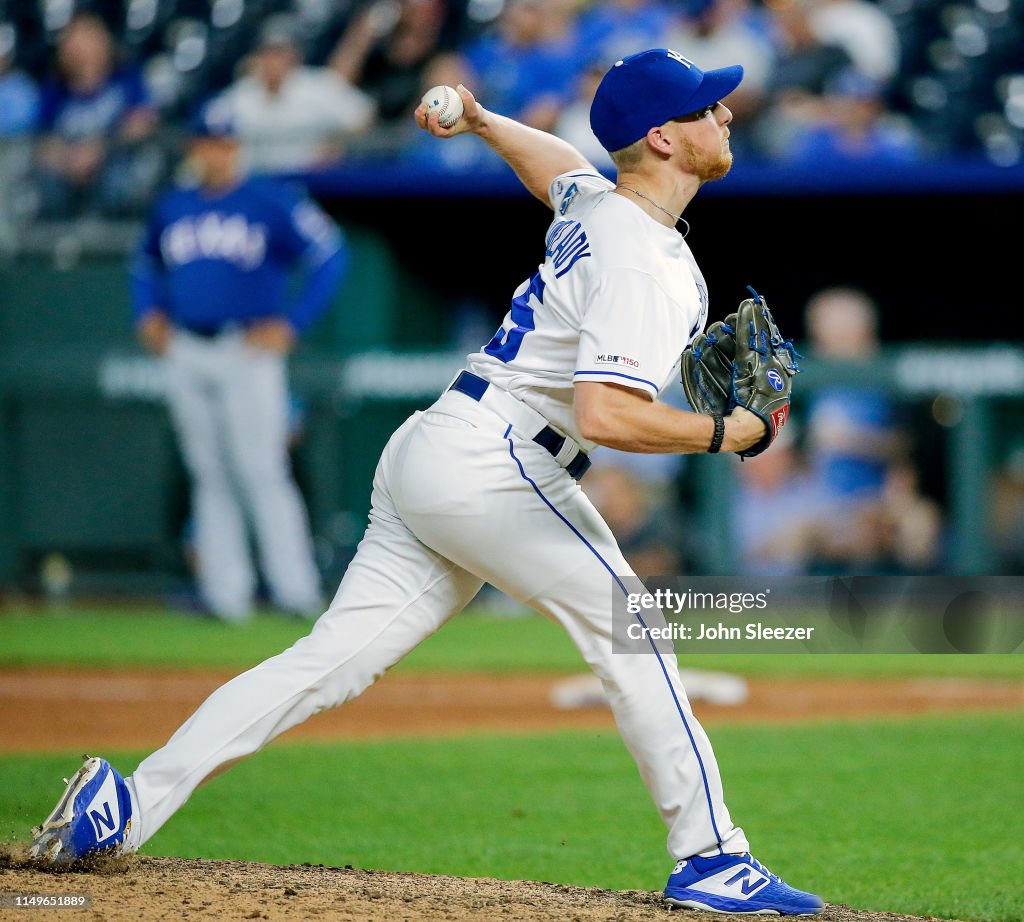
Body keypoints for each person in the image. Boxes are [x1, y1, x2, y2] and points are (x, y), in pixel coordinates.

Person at [30, 50, 823, 915]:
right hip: (501, 464)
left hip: (440, 449)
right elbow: (604, 414)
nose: (728, 116)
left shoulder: (599, 204)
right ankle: (711, 856)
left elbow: (554, 165)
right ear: (664, 137)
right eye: (709, 108)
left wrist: (484, 122)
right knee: (634, 632)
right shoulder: (644, 258)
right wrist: (728, 432)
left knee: (327, 661)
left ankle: (127, 805)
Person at [127, 101, 348, 622]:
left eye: (225, 143)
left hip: (246, 348)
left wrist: (294, 323)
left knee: (261, 469)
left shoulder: (269, 199)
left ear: (238, 147)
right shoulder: (174, 204)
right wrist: (147, 313)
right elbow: (143, 264)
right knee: (209, 473)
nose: (217, 152)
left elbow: (330, 254)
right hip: (187, 346)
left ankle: (295, 591)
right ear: (195, 148)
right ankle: (226, 596)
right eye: (208, 142)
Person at [33, 12, 158, 217]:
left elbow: (141, 125)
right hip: (68, 172)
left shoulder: (127, 79)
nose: (80, 50)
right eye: (73, 41)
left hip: (115, 164)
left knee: (120, 177)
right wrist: (67, 158)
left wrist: (101, 148)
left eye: (87, 39)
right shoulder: (55, 89)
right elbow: (44, 140)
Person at [217, 14, 375, 174]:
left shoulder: (319, 87)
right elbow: (212, 130)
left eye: (279, 52)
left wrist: (339, 143)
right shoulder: (242, 94)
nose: (272, 60)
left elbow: (364, 116)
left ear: (294, 55)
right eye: (267, 52)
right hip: (255, 181)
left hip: (310, 182)